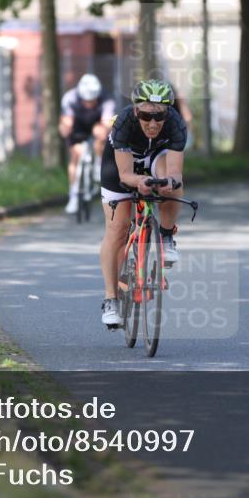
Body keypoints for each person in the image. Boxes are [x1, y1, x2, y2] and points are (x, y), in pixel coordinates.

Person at [98, 79, 188, 328]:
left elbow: (176, 172)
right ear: (137, 110)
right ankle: (111, 299)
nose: (153, 123)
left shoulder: (176, 124)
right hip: (120, 166)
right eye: (147, 115)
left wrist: (169, 181)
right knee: (117, 230)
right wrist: (140, 181)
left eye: (159, 116)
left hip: (154, 158)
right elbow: (126, 175)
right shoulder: (124, 123)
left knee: (170, 183)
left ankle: (167, 236)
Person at [59, 74, 115, 214]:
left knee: (101, 136)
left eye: (92, 100)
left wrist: (103, 131)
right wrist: (65, 128)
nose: (89, 103)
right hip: (78, 126)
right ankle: (73, 195)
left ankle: (98, 167)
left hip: (97, 124)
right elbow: (66, 121)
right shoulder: (70, 98)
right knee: (76, 154)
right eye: (86, 100)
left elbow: (107, 122)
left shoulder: (107, 99)